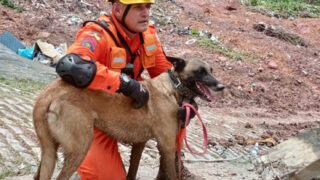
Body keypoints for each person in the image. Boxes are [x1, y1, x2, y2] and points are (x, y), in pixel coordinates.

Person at [56, 0, 197, 179]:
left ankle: (173, 164)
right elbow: (70, 65)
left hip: (127, 109)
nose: (145, 13)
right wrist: (124, 83)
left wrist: (187, 101)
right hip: (91, 115)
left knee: (177, 107)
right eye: (138, 7)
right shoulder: (97, 34)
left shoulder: (148, 36)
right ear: (117, 9)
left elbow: (168, 77)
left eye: (148, 7)